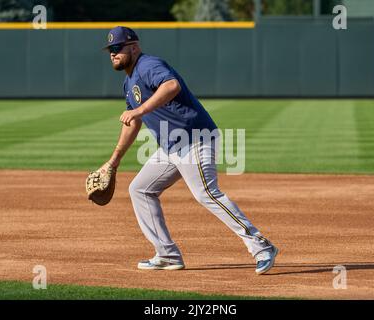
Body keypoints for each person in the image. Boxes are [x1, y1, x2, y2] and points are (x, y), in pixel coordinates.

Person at [101, 26, 278, 274]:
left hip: (195, 137)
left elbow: (171, 85)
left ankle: (261, 246)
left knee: (206, 193)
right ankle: (167, 254)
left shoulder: (148, 65)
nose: (113, 54)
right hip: (172, 146)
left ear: (134, 47)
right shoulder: (128, 82)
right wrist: (113, 161)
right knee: (140, 189)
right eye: (110, 50)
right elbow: (133, 123)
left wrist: (139, 110)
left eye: (118, 48)